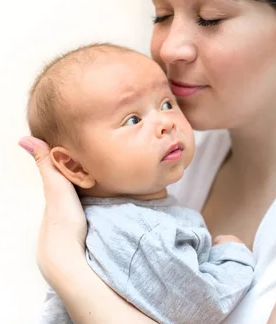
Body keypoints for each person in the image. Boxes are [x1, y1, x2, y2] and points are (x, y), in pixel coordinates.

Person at [19, 0, 276, 323]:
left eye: (209, 18)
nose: (170, 48)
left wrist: (66, 268)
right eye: (163, 14)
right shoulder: (173, 154)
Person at [27, 44, 254, 324]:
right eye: (132, 119)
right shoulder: (138, 233)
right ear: (75, 166)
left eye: (167, 104)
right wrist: (232, 255)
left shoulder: (119, 219)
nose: (165, 123)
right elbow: (202, 307)